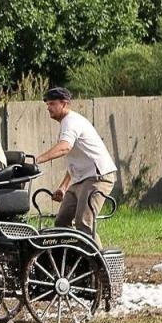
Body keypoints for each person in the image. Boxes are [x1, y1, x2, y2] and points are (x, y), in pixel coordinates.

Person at [33, 87, 117, 235]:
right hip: (81, 179)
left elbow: (64, 148)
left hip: (97, 177)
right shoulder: (67, 123)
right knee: (61, 222)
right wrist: (64, 187)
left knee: (84, 223)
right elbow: (75, 161)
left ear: (64, 104)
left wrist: (37, 160)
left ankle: (96, 258)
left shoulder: (71, 122)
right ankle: (71, 256)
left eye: (52, 104)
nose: (48, 108)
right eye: (47, 104)